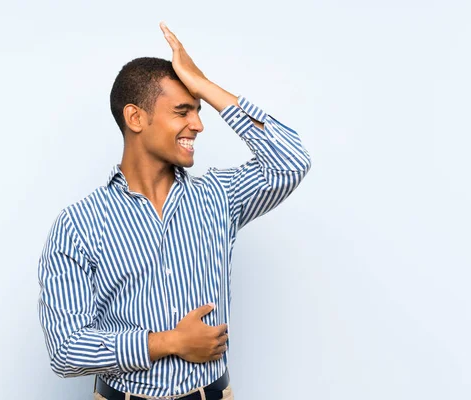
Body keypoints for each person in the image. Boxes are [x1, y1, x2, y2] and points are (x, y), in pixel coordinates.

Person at [37, 22, 312, 400]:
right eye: (182, 111)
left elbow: (291, 161)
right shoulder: (79, 225)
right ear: (136, 118)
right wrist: (167, 342)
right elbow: (66, 350)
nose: (198, 125)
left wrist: (205, 85)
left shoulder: (219, 197)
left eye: (198, 110)